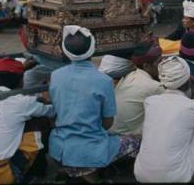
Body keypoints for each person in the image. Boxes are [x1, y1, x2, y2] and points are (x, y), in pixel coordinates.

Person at [48, 25, 141, 182]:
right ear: (93, 49)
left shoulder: (55, 76)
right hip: (90, 149)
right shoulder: (104, 81)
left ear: (65, 50)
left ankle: (78, 172)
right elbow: (107, 123)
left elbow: (56, 111)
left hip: (60, 147)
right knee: (138, 141)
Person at [134, 56, 194, 183]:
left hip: (141, 174)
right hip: (175, 178)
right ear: (190, 80)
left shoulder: (150, 102)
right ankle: (192, 174)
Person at [0, 57, 55, 184]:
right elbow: (52, 111)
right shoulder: (21, 102)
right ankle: (35, 173)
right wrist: (47, 99)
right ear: (21, 80)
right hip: (2, 174)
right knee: (40, 122)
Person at [108, 46, 165, 136]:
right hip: (126, 138)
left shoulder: (129, 75)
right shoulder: (154, 86)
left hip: (111, 133)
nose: (163, 64)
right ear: (146, 66)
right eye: (159, 61)